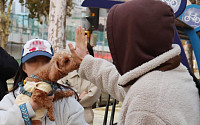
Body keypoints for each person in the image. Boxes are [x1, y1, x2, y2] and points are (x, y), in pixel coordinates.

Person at [68, 0, 200, 124]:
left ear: (131, 42)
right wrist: (84, 61)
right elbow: (121, 83)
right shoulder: (174, 74)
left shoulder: (148, 104)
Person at [0, 39, 88, 125]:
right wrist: (30, 107)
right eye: (33, 61)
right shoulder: (11, 99)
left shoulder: (67, 102)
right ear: (24, 68)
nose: (40, 66)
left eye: (46, 61)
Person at [58, 43, 101, 125]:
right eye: (78, 52)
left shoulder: (95, 76)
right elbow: (59, 89)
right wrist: (78, 95)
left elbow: (92, 96)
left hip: (86, 118)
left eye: (86, 53)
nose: (82, 56)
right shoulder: (66, 72)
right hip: (65, 118)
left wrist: (69, 96)